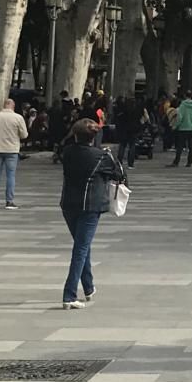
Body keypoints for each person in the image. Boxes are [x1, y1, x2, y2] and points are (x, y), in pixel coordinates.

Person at [59, 118, 126, 309]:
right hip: (89, 205)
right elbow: (119, 174)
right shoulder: (100, 156)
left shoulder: (67, 152)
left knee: (82, 245)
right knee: (81, 248)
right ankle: (69, 294)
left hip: (68, 204)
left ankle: (88, 287)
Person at [0, 99, 28, 209]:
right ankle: (9, 202)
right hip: (12, 150)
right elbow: (24, 135)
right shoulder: (18, 118)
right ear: (13, 106)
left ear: (4, 105)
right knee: (10, 175)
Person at [169, 92, 192, 167]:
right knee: (191, 146)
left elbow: (180, 117)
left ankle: (176, 161)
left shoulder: (182, 105)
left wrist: (175, 125)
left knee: (180, 146)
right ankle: (189, 162)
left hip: (183, 128)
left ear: (185, 96)